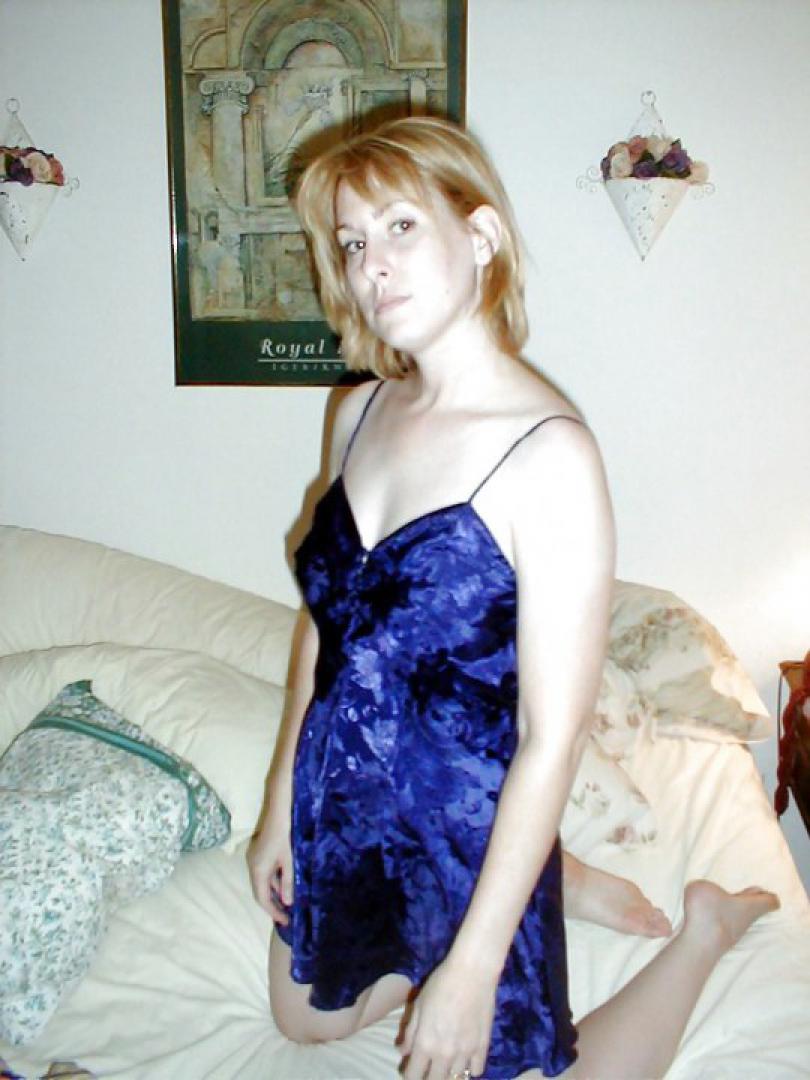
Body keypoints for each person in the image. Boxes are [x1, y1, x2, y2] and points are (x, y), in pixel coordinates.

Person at [248, 114, 778, 1080]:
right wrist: (283, 795)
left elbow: (551, 736)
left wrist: (472, 967)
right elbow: (326, 626)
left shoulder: (550, 456)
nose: (372, 266)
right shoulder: (356, 411)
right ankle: (563, 882)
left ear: (481, 234)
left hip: (471, 815)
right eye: (353, 243)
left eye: (400, 227)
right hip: (349, 795)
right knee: (302, 1020)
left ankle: (701, 929)